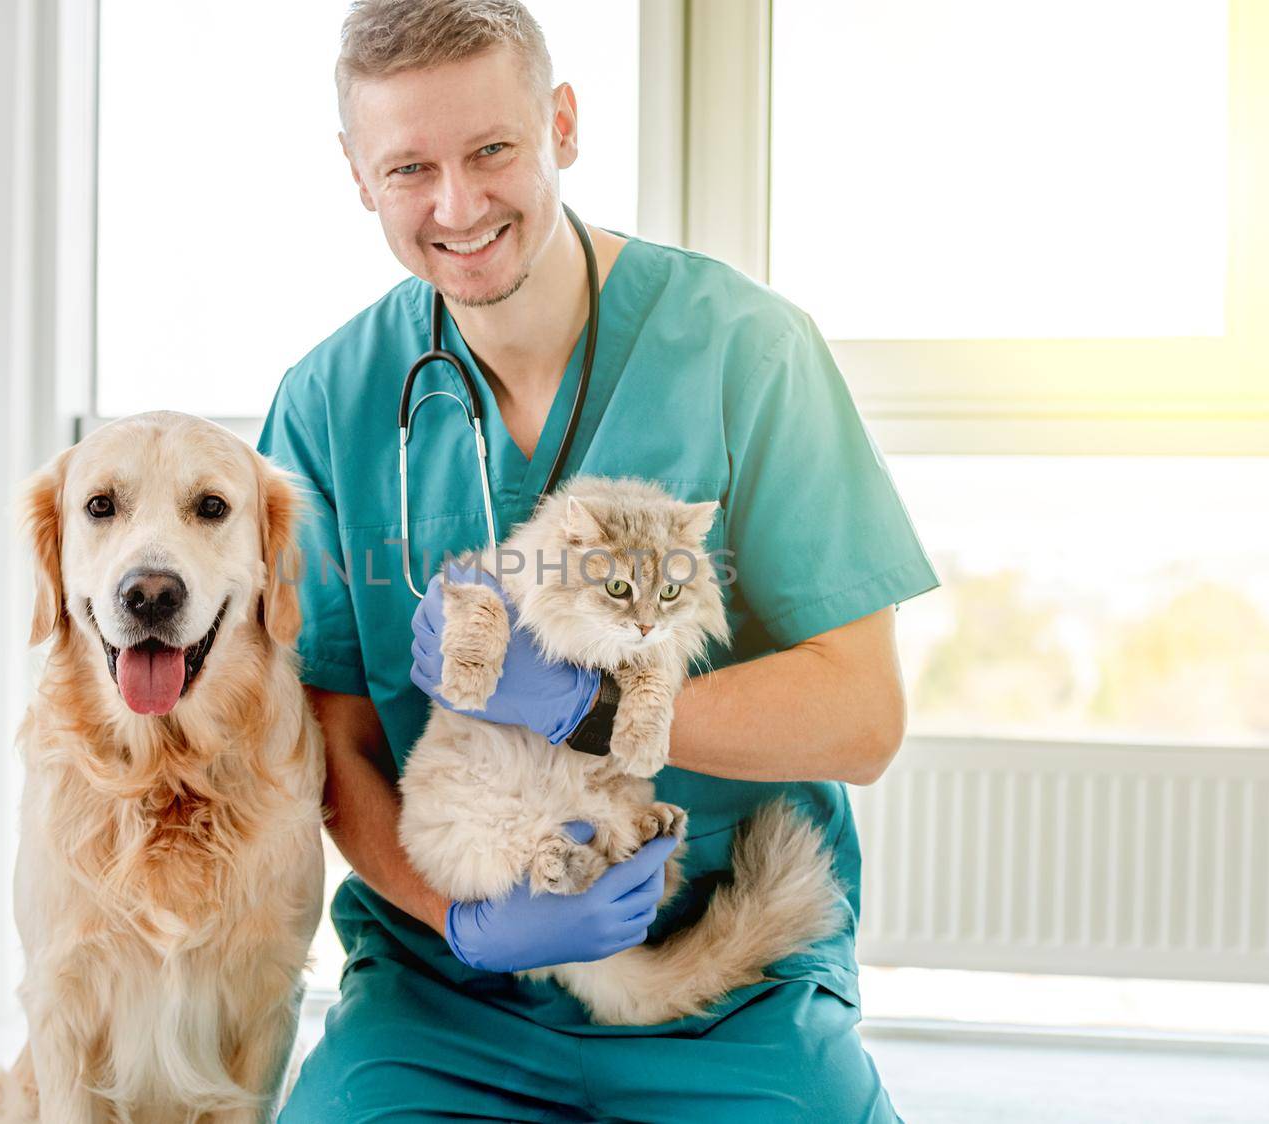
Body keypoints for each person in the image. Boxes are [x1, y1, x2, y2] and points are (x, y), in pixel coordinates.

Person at [257, 1, 939, 1119]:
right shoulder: (329, 404)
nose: (457, 205)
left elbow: (861, 716)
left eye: (492, 151)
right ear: (356, 175)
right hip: (443, 993)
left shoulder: (744, 351)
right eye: (408, 168)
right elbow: (328, 737)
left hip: (727, 982)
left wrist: (602, 706)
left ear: (561, 125)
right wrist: (461, 918)